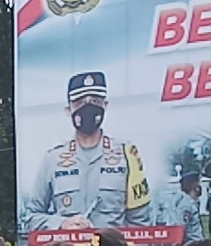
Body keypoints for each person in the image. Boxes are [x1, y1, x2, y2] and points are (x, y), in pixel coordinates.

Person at [20, 72, 150, 232]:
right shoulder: (53, 158)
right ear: (68, 110)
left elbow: (140, 221)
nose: (88, 107)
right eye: (79, 103)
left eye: (95, 101)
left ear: (105, 106)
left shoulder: (126, 153)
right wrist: (61, 223)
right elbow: (31, 218)